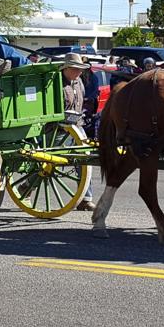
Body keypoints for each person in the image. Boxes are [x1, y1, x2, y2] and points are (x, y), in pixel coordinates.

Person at [59, 53, 95, 210]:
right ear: (66, 69)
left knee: (85, 159)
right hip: (58, 129)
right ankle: (27, 186)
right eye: (76, 69)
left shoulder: (78, 81)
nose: (79, 72)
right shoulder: (57, 82)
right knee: (49, 164)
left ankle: (85, 199)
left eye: (80, 69)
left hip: (77, 126)